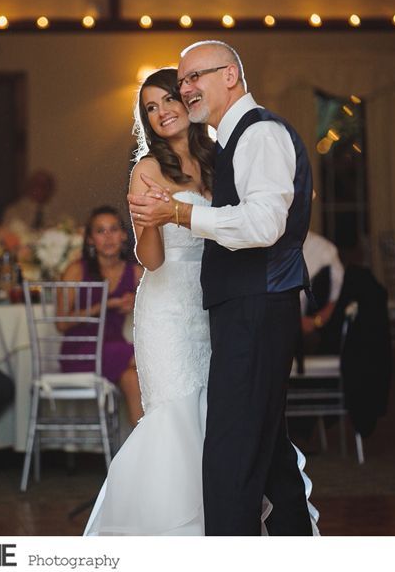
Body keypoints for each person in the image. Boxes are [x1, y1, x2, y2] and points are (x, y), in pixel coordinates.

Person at [126, 42, 318, 536]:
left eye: (189, 82)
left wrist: (180, 212)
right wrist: (155, 219)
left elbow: (263, 223)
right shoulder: (215, 148)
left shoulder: (249, 139)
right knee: (259, 441)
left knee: (233, 446)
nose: (182, 95)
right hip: (196, 309)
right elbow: (153, 255)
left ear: (230, 75)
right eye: (156, 103)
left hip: (249, 306)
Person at [59, 206, 144, 425]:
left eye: (113, 229)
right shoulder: (76, 270)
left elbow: (158, 308)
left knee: (132, 378)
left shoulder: (135, 272)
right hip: (81, 353)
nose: (108, 237)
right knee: (148, 357)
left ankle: (144, 448)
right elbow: (61, 323)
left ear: (124, 235)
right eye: (100, 231)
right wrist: (105, 305)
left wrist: (137, 303)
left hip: (116, 350)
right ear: (89, 239)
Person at [297, 230, 345, 371]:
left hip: (313, 330)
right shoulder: (263, 245)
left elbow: (337, 298)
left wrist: (315, 321)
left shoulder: (324, 250)